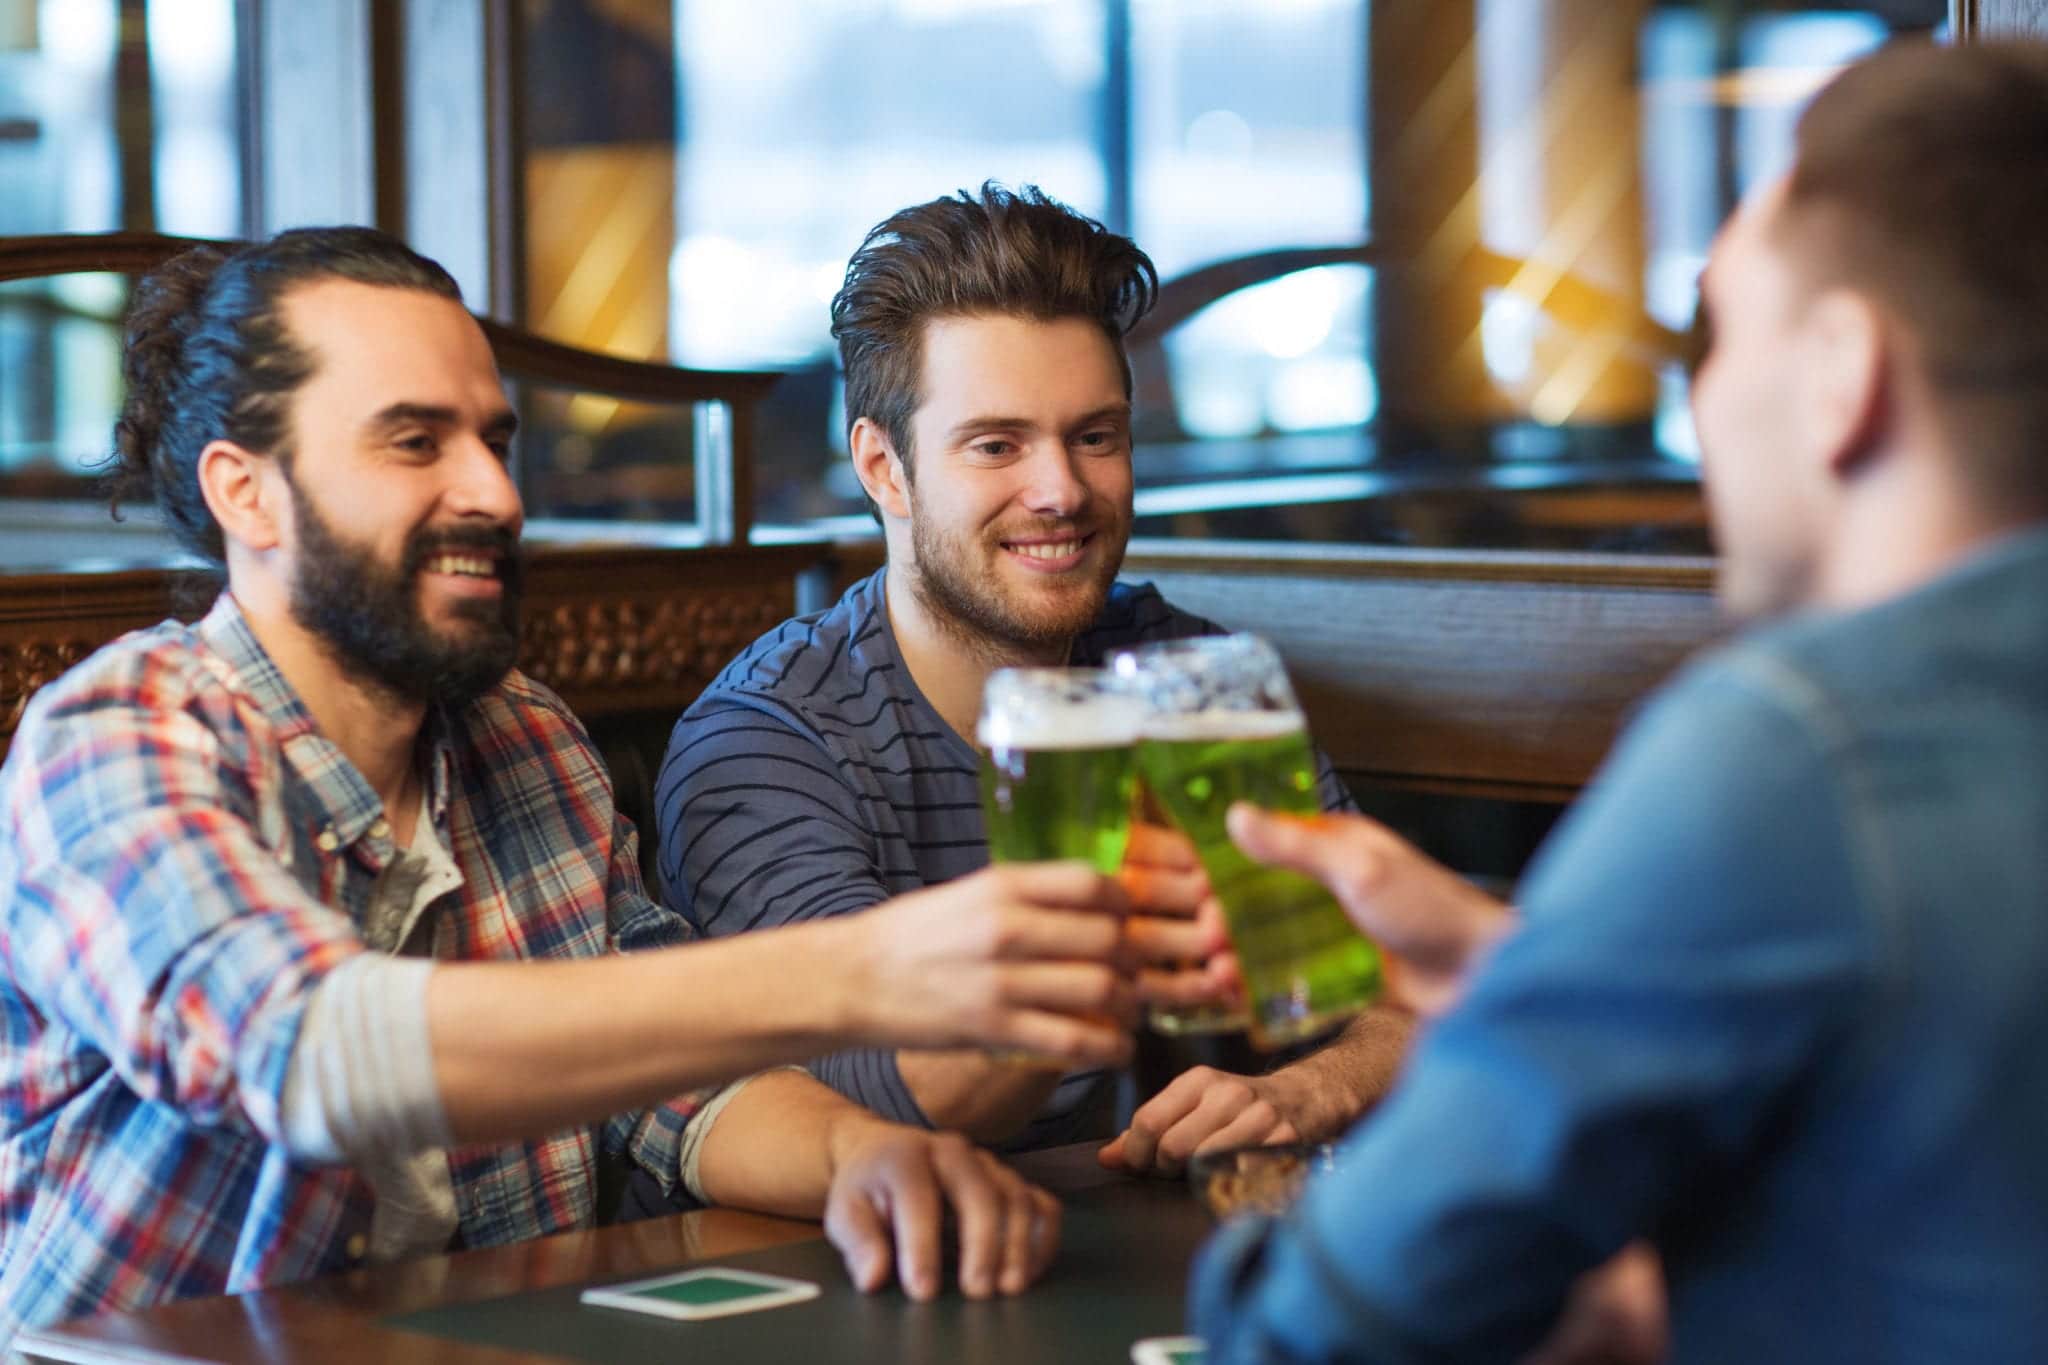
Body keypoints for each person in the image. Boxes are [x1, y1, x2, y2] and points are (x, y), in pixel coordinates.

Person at [0, 227, 1146, 1344]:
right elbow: (309, 1053)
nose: (493, 494)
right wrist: (873, 971)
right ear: (245, 493)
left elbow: (671, 1086)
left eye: (494, 442)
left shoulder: (523, 733)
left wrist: (861, 1153)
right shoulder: (119, 740)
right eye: (414, 443)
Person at [1191, 39, 2048, 1362]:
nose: (1701, 403)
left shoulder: (1795, 744)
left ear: (1841, 372)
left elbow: (1320, 1326)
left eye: (1724, 334)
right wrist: (1521, 965)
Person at [655, 184, 1411, 1169]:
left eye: (1093, 437)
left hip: (1161, 1256)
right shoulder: (769, 745)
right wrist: (1104, 911)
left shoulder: (1185, 681)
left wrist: (1303, 1092)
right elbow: (884, 1093)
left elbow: (1406, 992)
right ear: (883, 469)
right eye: (995, 445)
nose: (1059, 491)